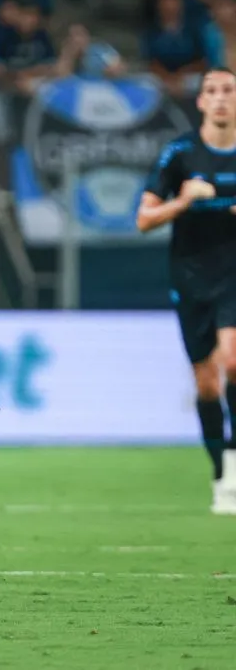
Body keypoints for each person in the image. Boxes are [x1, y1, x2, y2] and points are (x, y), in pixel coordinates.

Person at [137, 66, 236, 515]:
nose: (219, 98)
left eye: (228, 91)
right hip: (191, 278)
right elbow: (143, 220)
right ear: (200, 102)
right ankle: (221, 474)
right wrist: (184, 200)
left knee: (233, 359)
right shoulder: (179, 155)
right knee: (206, 383)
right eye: (211, 91)